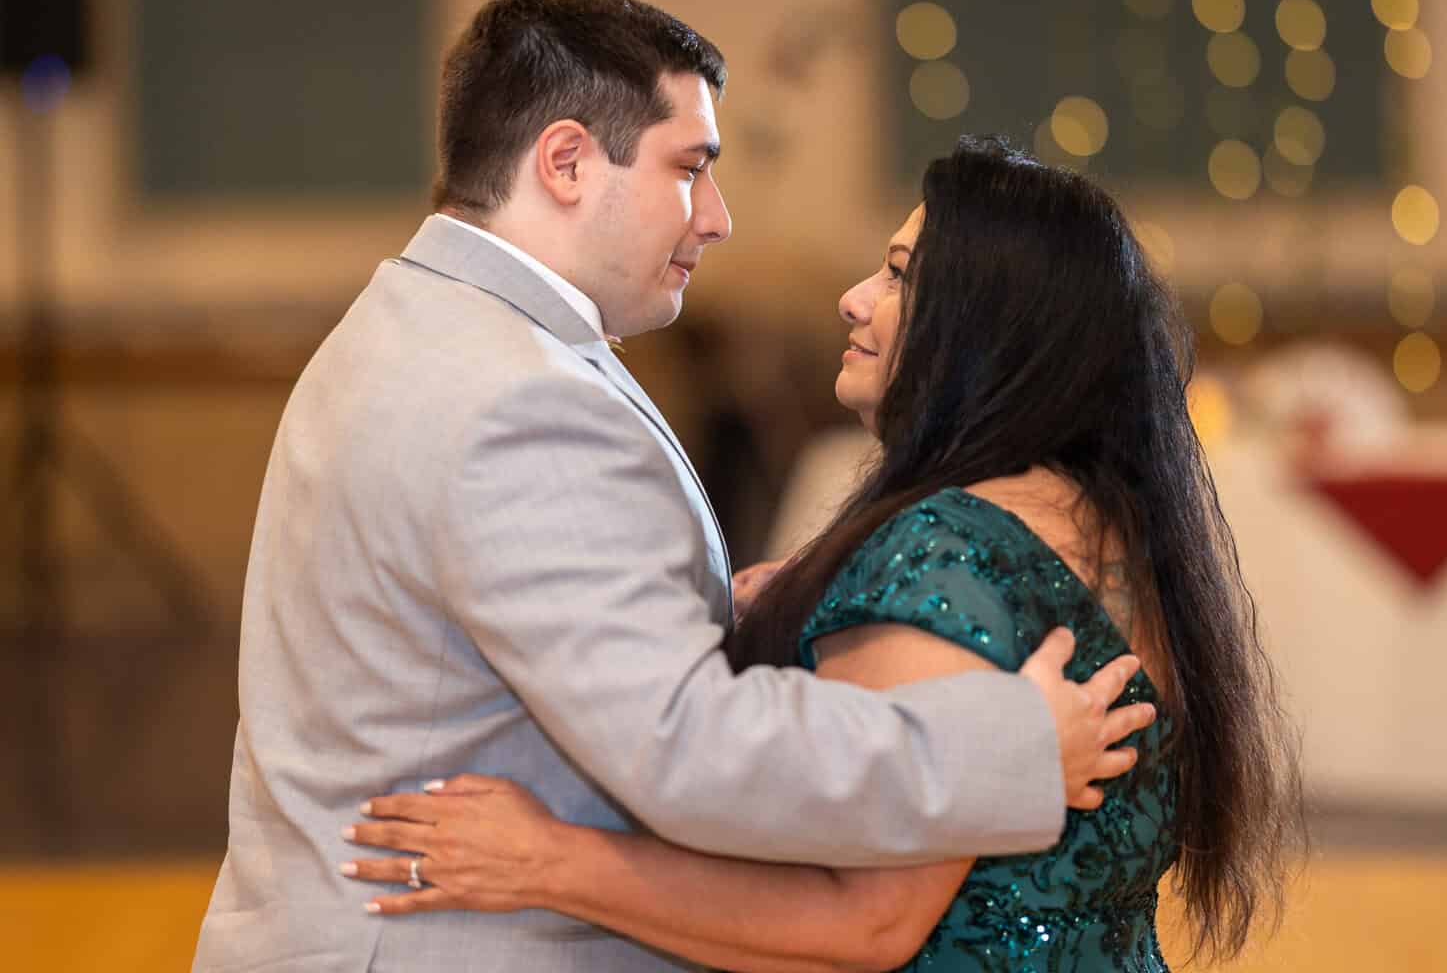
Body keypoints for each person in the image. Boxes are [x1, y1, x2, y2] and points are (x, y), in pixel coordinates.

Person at [192, 0, 1154, 973]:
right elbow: (686, 748)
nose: (718, 217)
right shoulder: (518, 399)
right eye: (689, 169)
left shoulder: (423, 325)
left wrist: (731, 613)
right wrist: (1007, 746)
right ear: (564, 162)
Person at [342, 137, 1303, 970]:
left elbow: (866, 924)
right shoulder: (1107, 531)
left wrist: (543, 860)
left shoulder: (942, 553)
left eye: (897, 276)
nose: (853, 299)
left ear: (986, 330)